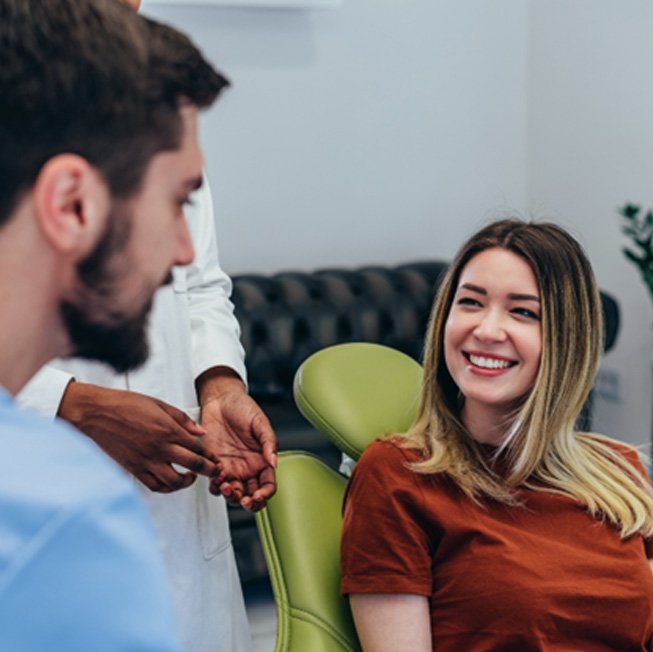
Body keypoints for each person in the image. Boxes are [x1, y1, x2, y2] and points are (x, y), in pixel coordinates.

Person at [18, 3, 277, 650]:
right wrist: (75, 407)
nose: (180, 249)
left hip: (177, 513)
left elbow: (200, 284)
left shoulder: (157, 98)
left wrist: (218, 387)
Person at [340, 219, 653, 651]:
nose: (486, 331)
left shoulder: (619, 472)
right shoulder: (399, 475)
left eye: (523, 311)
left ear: (568, 338)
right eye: (470, 302)